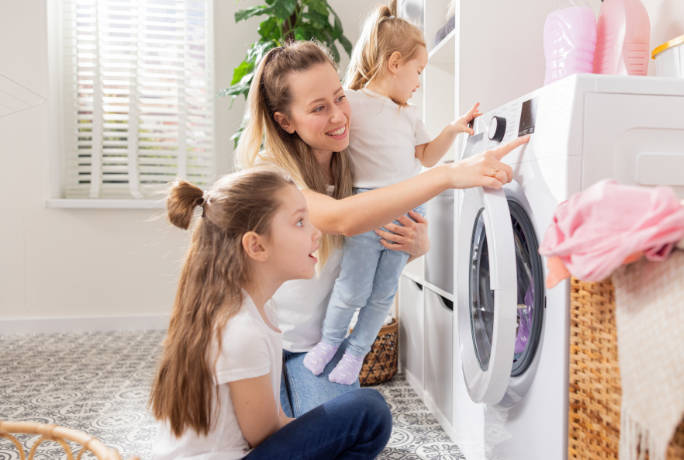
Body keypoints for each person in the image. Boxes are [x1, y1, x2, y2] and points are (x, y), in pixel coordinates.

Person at [237, 41, 528, 416]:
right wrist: (447, 175)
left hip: (317, 346)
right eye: (318, 108)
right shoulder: (272, 175)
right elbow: (341, 218)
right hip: (262, 345)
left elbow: (360, 259)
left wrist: (412, 250)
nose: (339, 116)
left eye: (340, 98)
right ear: (285, 121)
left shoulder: (358, 167)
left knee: (359, 422)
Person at [149, 170, 393, 460]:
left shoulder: (257, 308)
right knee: (369, 412)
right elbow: (264, 436)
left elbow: (273, 424)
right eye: (300, 221)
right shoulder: (241, 329)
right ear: (257, 246)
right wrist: (328, 436)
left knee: (357, 414)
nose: (315, 232)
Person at [303, 0, 483, 385]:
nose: (419, 80)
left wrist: (451, 130)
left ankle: (355, 355)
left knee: (383, 296)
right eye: (418, 70)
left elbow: (429, 158)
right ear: (394, 62)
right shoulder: (352, 103)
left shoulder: (411, 114)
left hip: (406, 214)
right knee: (352, 289)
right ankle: (329, 344)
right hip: (366, 210)